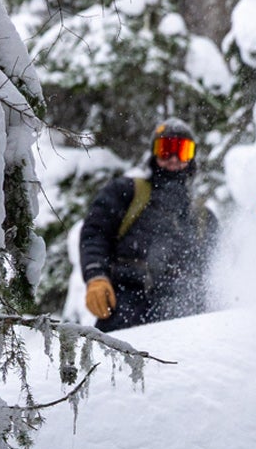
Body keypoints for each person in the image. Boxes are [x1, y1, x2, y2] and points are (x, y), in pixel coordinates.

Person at [80, 116, 217, 331]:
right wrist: (96, 276)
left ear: (191, 158)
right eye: (166, 150)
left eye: (181, 151)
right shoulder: (126, 192)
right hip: (126, 304)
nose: (173, 159)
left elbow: (216, 268)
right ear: (154, 153)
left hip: (184, 316)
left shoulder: (202, 218)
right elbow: (95, 233)